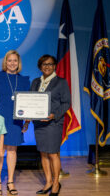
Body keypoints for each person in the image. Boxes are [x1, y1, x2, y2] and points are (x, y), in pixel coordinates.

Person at [0, 50, 30, 195]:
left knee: (12, 151)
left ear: (19, 63)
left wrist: (27, 121)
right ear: (5, 62)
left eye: (15, 60)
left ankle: (10, 181)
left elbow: (28, 103)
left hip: (15, 120)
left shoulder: (24, 80)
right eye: (9, 60)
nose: (12, 63)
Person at [31, 54, 71, 196]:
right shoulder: (35, 82)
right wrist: (27, 117)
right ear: (40, 67)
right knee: (43, 153)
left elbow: (66, 103)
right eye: (44, 64)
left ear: (54, 66)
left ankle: (55, 183)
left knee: (53, 154)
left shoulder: (61, 82)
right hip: (38, 124)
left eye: (50, 64)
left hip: (53, 123)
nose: (47, 66)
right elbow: (31, 101)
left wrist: (54, 115)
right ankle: (48, 182)